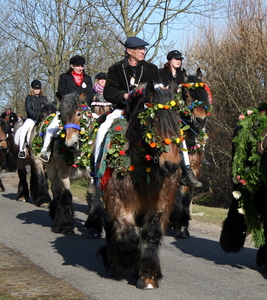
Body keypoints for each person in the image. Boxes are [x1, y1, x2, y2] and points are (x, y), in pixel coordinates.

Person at [95, 37, 202, 187]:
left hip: (147, 110)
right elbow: (108, 91)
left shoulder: (151, 68)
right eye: (139, 49)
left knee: (176, 131)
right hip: (122, 109)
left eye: (144, 49)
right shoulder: (116, 68)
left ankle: (187, 170)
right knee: (103, 130)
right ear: (129, 51)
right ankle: (96, 174)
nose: (143, 51)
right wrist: (125, 96)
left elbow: (157, 88)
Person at [39, 55, 95, 162]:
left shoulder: (87, 78)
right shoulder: (64, 77)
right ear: (71, 66)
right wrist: (71, 102)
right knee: (52, 125)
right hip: (68, 110)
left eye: (82, 66)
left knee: (98, 123)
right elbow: (61, 92)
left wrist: (84, 103)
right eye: (78, 66)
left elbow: (91, 93)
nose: (80, 68)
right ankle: (45, 150)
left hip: (83, 108)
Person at [16, 80, 49, 158]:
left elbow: (46, 108)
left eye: (38, 89)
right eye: (35, 89)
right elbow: (28, 109)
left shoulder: (44, 98)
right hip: (32, 119)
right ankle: (21, 150)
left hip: (42, 119)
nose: (37, 90)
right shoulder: (29, 98)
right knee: (24, 129)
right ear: (33, 89)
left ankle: (47, 150)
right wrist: (37, 116)